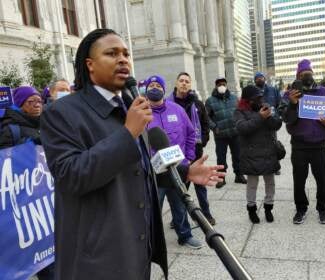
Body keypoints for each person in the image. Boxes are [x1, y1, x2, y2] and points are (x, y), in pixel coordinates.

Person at [39, 28, 224, 280]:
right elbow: (71, 175)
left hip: (136, 249)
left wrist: (185, 171)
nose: (123, 59)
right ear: (89, 65)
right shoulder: (62, 113)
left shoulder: (128, 106)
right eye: (112, 53)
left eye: (126, 53)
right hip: (96, 259)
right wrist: (128, 133)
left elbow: (140, 167)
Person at [0, 86, 54, 279]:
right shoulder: (10, 129)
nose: (37, 105)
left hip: (48, 197)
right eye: (32, 102)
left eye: (39, 101)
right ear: (21, 104)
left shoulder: (45, 123)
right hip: (27, 203)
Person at [279, 59, 325, 225]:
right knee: (299, 180)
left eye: (309, 72)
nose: (307, 75)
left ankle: (322, 209)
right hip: (299, 145)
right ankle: (301, 209)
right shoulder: (289, 95)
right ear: (297, 76)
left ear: (313, 74)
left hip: (319, 144)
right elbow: (286, 119)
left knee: (322, 179)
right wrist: (292, 104)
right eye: (302, 73)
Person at [146, 75, 203, 249]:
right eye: (151, 85)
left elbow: (191, 133)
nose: (154, 88)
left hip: (177, 169)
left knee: (179, 205)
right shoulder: (141, 113)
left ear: (164, 89)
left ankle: (185, 235)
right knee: (152, 210)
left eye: (158, 85)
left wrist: (188, 158)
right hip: (154, 172)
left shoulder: (177, 109)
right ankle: (150, 242)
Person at [168, 72, 216, 225]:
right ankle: (178, 217)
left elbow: (205, 124)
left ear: (190, 85)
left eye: (187, 81)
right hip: (177, 152)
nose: (184, 83)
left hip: (195, 150)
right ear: (176, 83)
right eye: (181, 81)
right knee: (180, 187)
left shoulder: (197, 103)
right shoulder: (168, 104)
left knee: (200, 185)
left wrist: (203, 141)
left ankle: (206, 214)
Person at [234, 85, 282, 223]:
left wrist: (269, 116)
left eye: (260, 97)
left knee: (270, 183)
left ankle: (268, 207)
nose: (259, 100)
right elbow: (242, 128)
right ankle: (252, 209)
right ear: (247, 100)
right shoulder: (239, 111)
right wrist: (260, 117)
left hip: (268, 152)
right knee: (252, 184)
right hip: (251, 154)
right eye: (255, 98)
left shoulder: (266, 107)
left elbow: (277, 125)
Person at [205, 77, 247, 188]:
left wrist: (240, 123)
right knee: (221, 157)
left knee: (238, 155)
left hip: (235, 132)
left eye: (223, 84)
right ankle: (221, 178)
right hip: (220, 135)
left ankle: (239, 175)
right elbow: (206, 117)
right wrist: (214, 127)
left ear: (226, 85)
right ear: (216, 86)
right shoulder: (210, 101)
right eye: (219, 84)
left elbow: (240, 112)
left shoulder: (234, 98)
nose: (221, 86)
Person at [254, 72, 282, 175]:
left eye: (261, 77)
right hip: (258, 122)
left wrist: (276, 116)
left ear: (264, 79)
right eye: (257, 78)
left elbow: (280, 104)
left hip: (271, 122)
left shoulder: (273, 90)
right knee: (258, 144)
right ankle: (261, 165)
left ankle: (275, 166)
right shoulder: (253, 91)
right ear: (255, 80)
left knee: (273, 144)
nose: (259, 79)